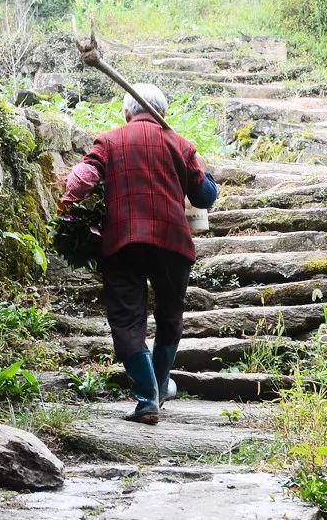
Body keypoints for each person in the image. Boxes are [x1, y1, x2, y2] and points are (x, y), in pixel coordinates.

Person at [60, 85, 219, 425]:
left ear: (127, 113)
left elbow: (82, 181)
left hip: (123, 243)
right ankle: (159, 389)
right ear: (163, 112)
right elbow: (204, 197)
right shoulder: (181, 144)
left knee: (127, 320)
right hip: (173, 244)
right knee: (170, 316)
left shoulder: (110, 140)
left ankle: (148, 398)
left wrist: (67, 197)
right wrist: (205, 172)